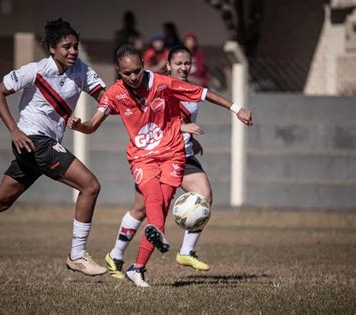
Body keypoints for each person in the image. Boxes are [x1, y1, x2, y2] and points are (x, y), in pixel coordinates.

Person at [0, 18, 108, 284]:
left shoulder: (81, 71)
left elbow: (105, 98)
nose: (72, 51)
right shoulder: (36, 70)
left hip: (38, 146)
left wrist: (92, 123)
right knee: (90, 186)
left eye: (75, 46)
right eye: (66, 47)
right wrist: (14, 130)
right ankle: (77, 255)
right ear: (52, 48)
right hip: (35, 142)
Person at [67, 44, 253, 287]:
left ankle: (138, 267)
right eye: (126, 73)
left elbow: (203, 93)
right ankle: (138, 247)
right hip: (142, 157)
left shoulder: (163, 83)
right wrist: (79, 125)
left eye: (136, 71)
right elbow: (92, 125)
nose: (133, 77)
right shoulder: (114, 94)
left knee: (162, 206)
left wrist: (236, 109)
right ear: (118, 72)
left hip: (173, 154)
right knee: (152, 199)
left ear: (144, 65)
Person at [104, 45, 215, 281]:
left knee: (204, 195)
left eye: (188, 64)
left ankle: (186, 251)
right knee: (142, 209)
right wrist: (180, 128)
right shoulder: (160, 86)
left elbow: (180, 117)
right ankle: (116, 254)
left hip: (182, 154)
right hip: (155, 156)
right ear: (168, 65)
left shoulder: (189, 91)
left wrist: (191, 139)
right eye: (179, 64)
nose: (184, 68)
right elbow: (151, 120)